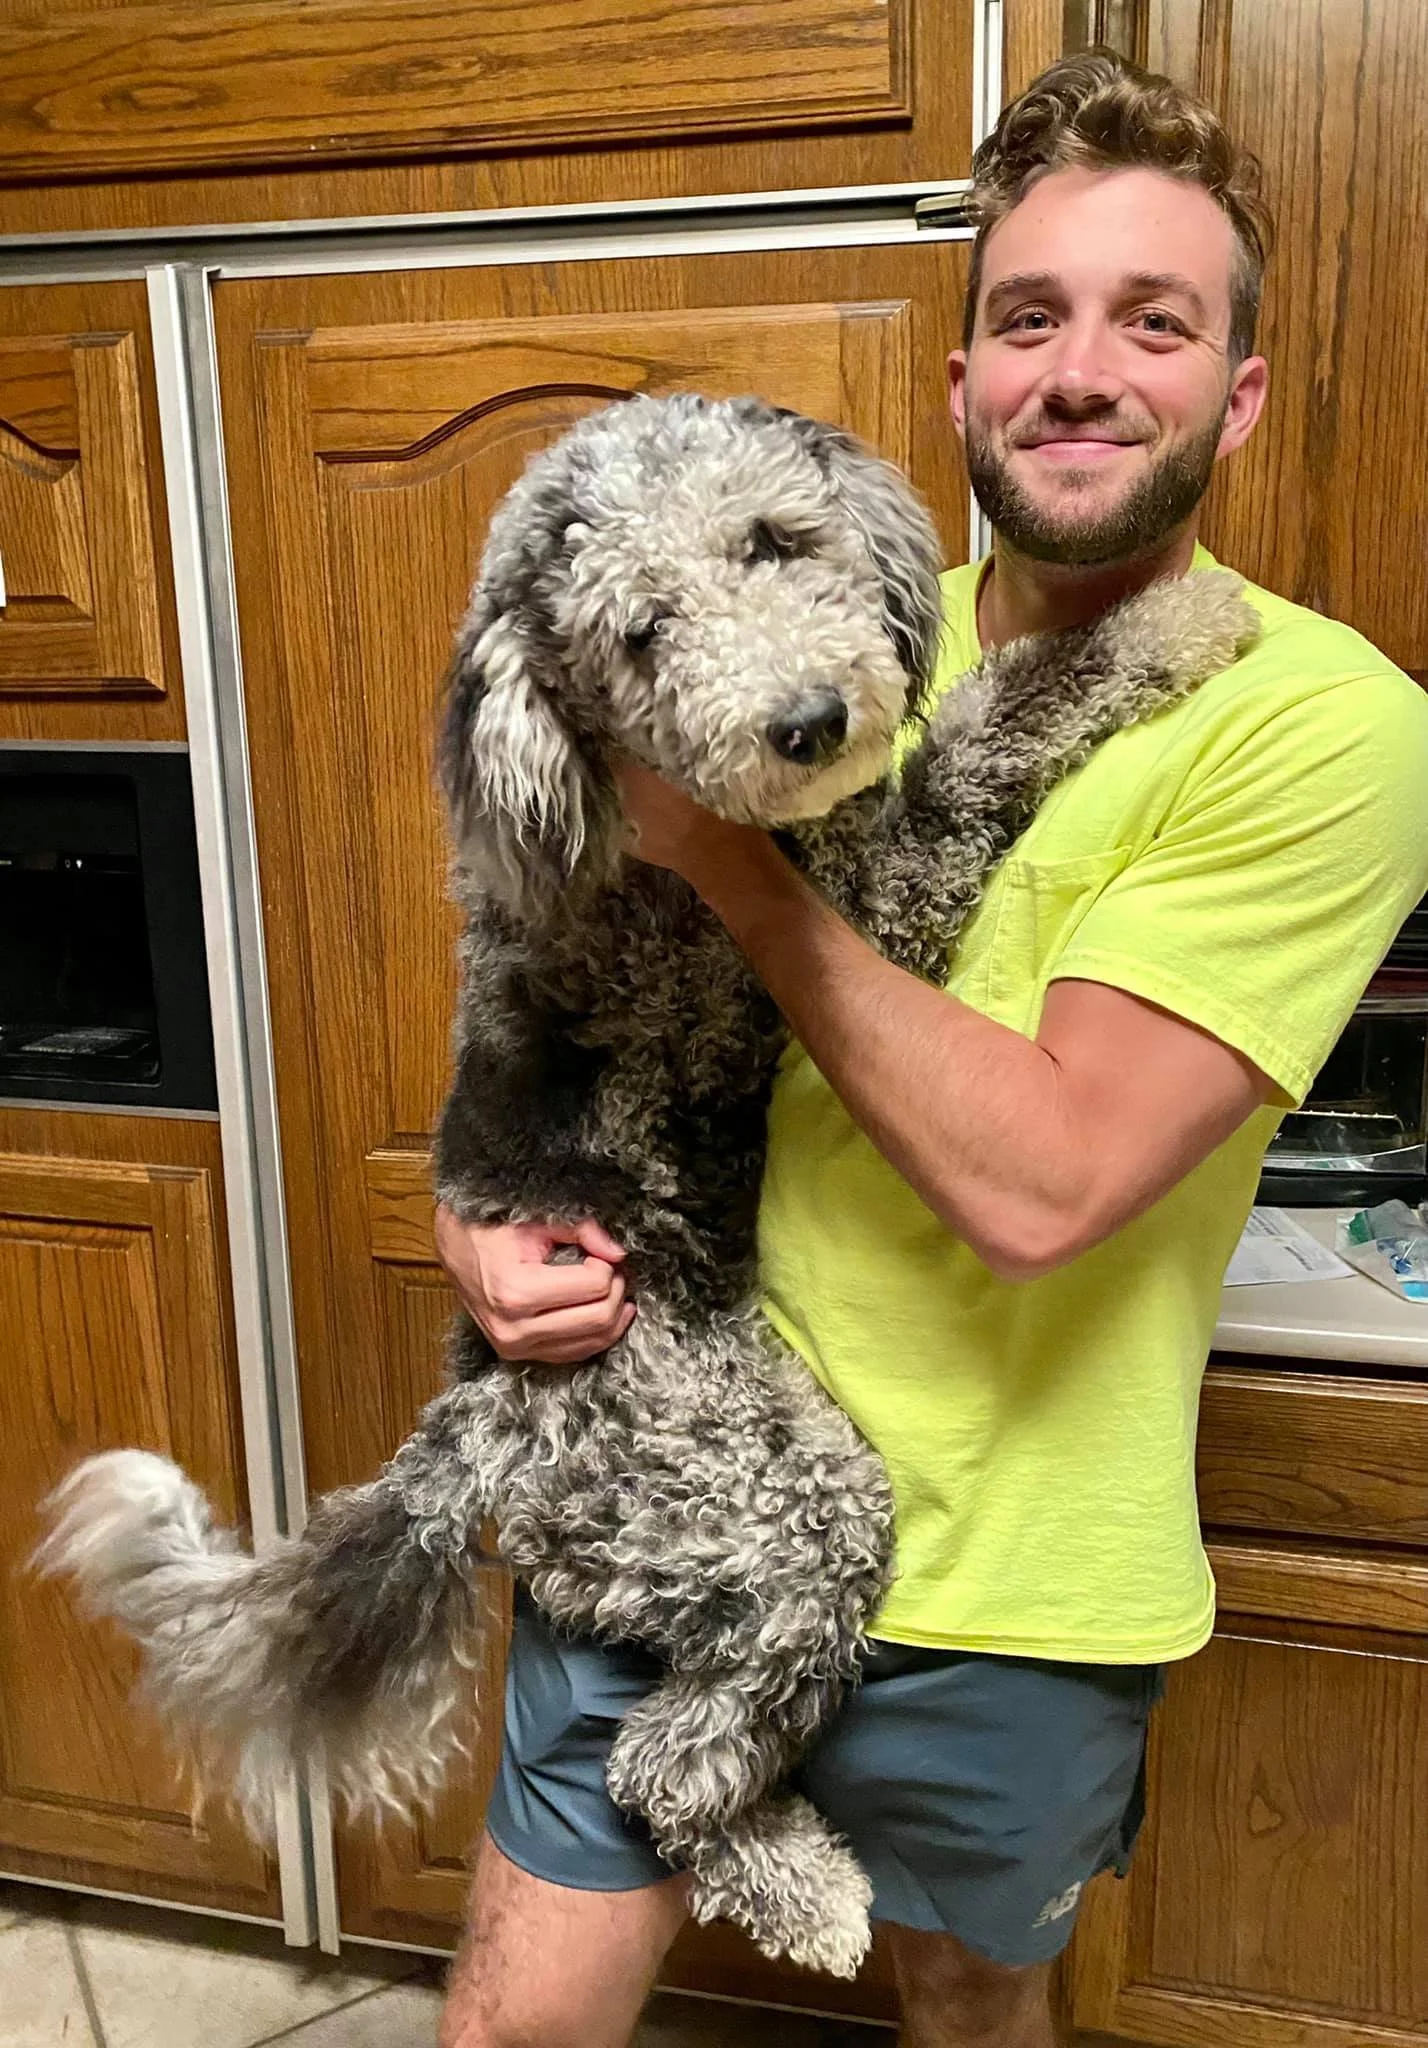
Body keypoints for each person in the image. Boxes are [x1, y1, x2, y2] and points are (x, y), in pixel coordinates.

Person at [432, 52, 1428, 2048]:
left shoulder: (1323, 723)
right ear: (961, 379)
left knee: (974, 2004)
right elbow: (547, 970)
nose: (1081, 370)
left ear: (1233, 393)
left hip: (1017, 1583)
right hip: (665, 1484)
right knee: (508, 2025)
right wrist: (492, 1206)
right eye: (1029, 316)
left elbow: (1047, 1180)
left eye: (1154, 323)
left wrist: (731, 857)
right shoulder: (824, 593)